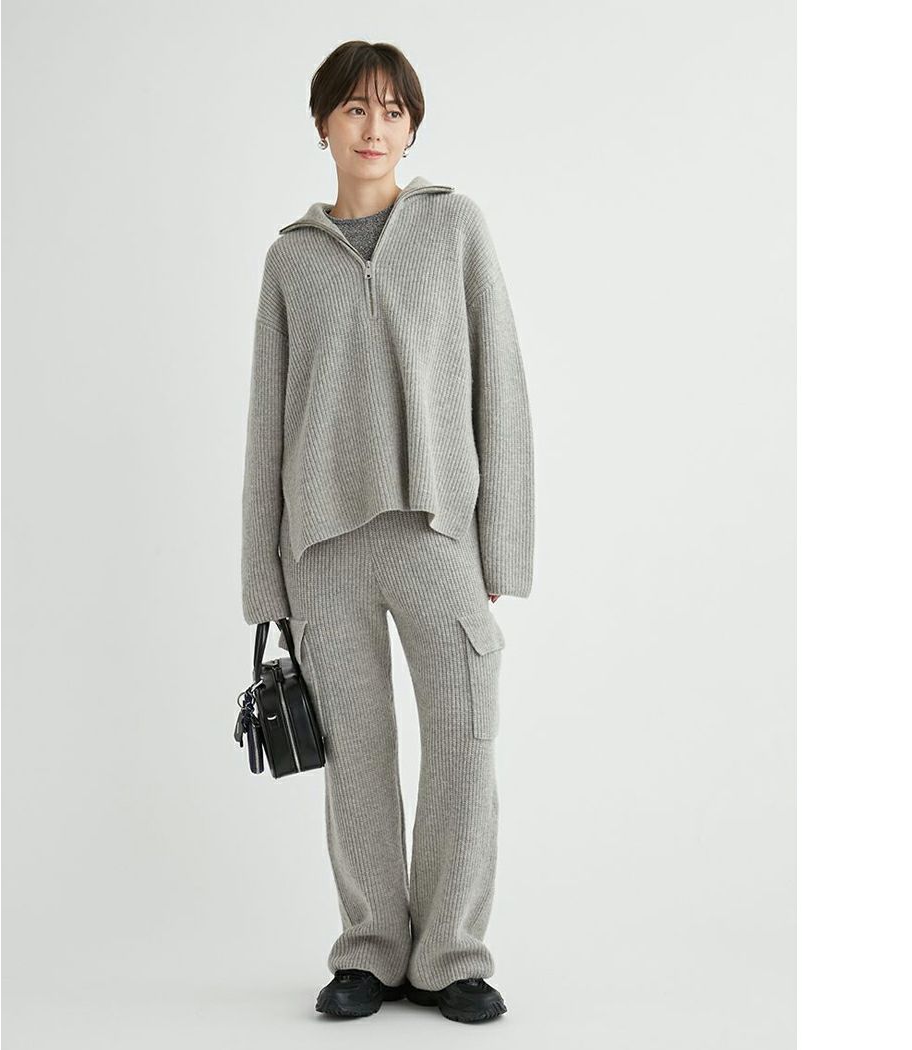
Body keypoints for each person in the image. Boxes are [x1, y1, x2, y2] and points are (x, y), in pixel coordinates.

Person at [240, 40, 534, 1024]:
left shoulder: (454, 228)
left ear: (413, 127)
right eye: (356, 110)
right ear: (323, 124)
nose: (375, 129)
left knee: (463, 743)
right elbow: (267, 424)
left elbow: (500, 385)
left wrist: (503, 543)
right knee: (356, 761)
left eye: (394, 111)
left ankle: (450, 957)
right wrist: (264, 581)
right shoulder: (291, 259)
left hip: (437, 533)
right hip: (323, 549)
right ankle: (369, 950)